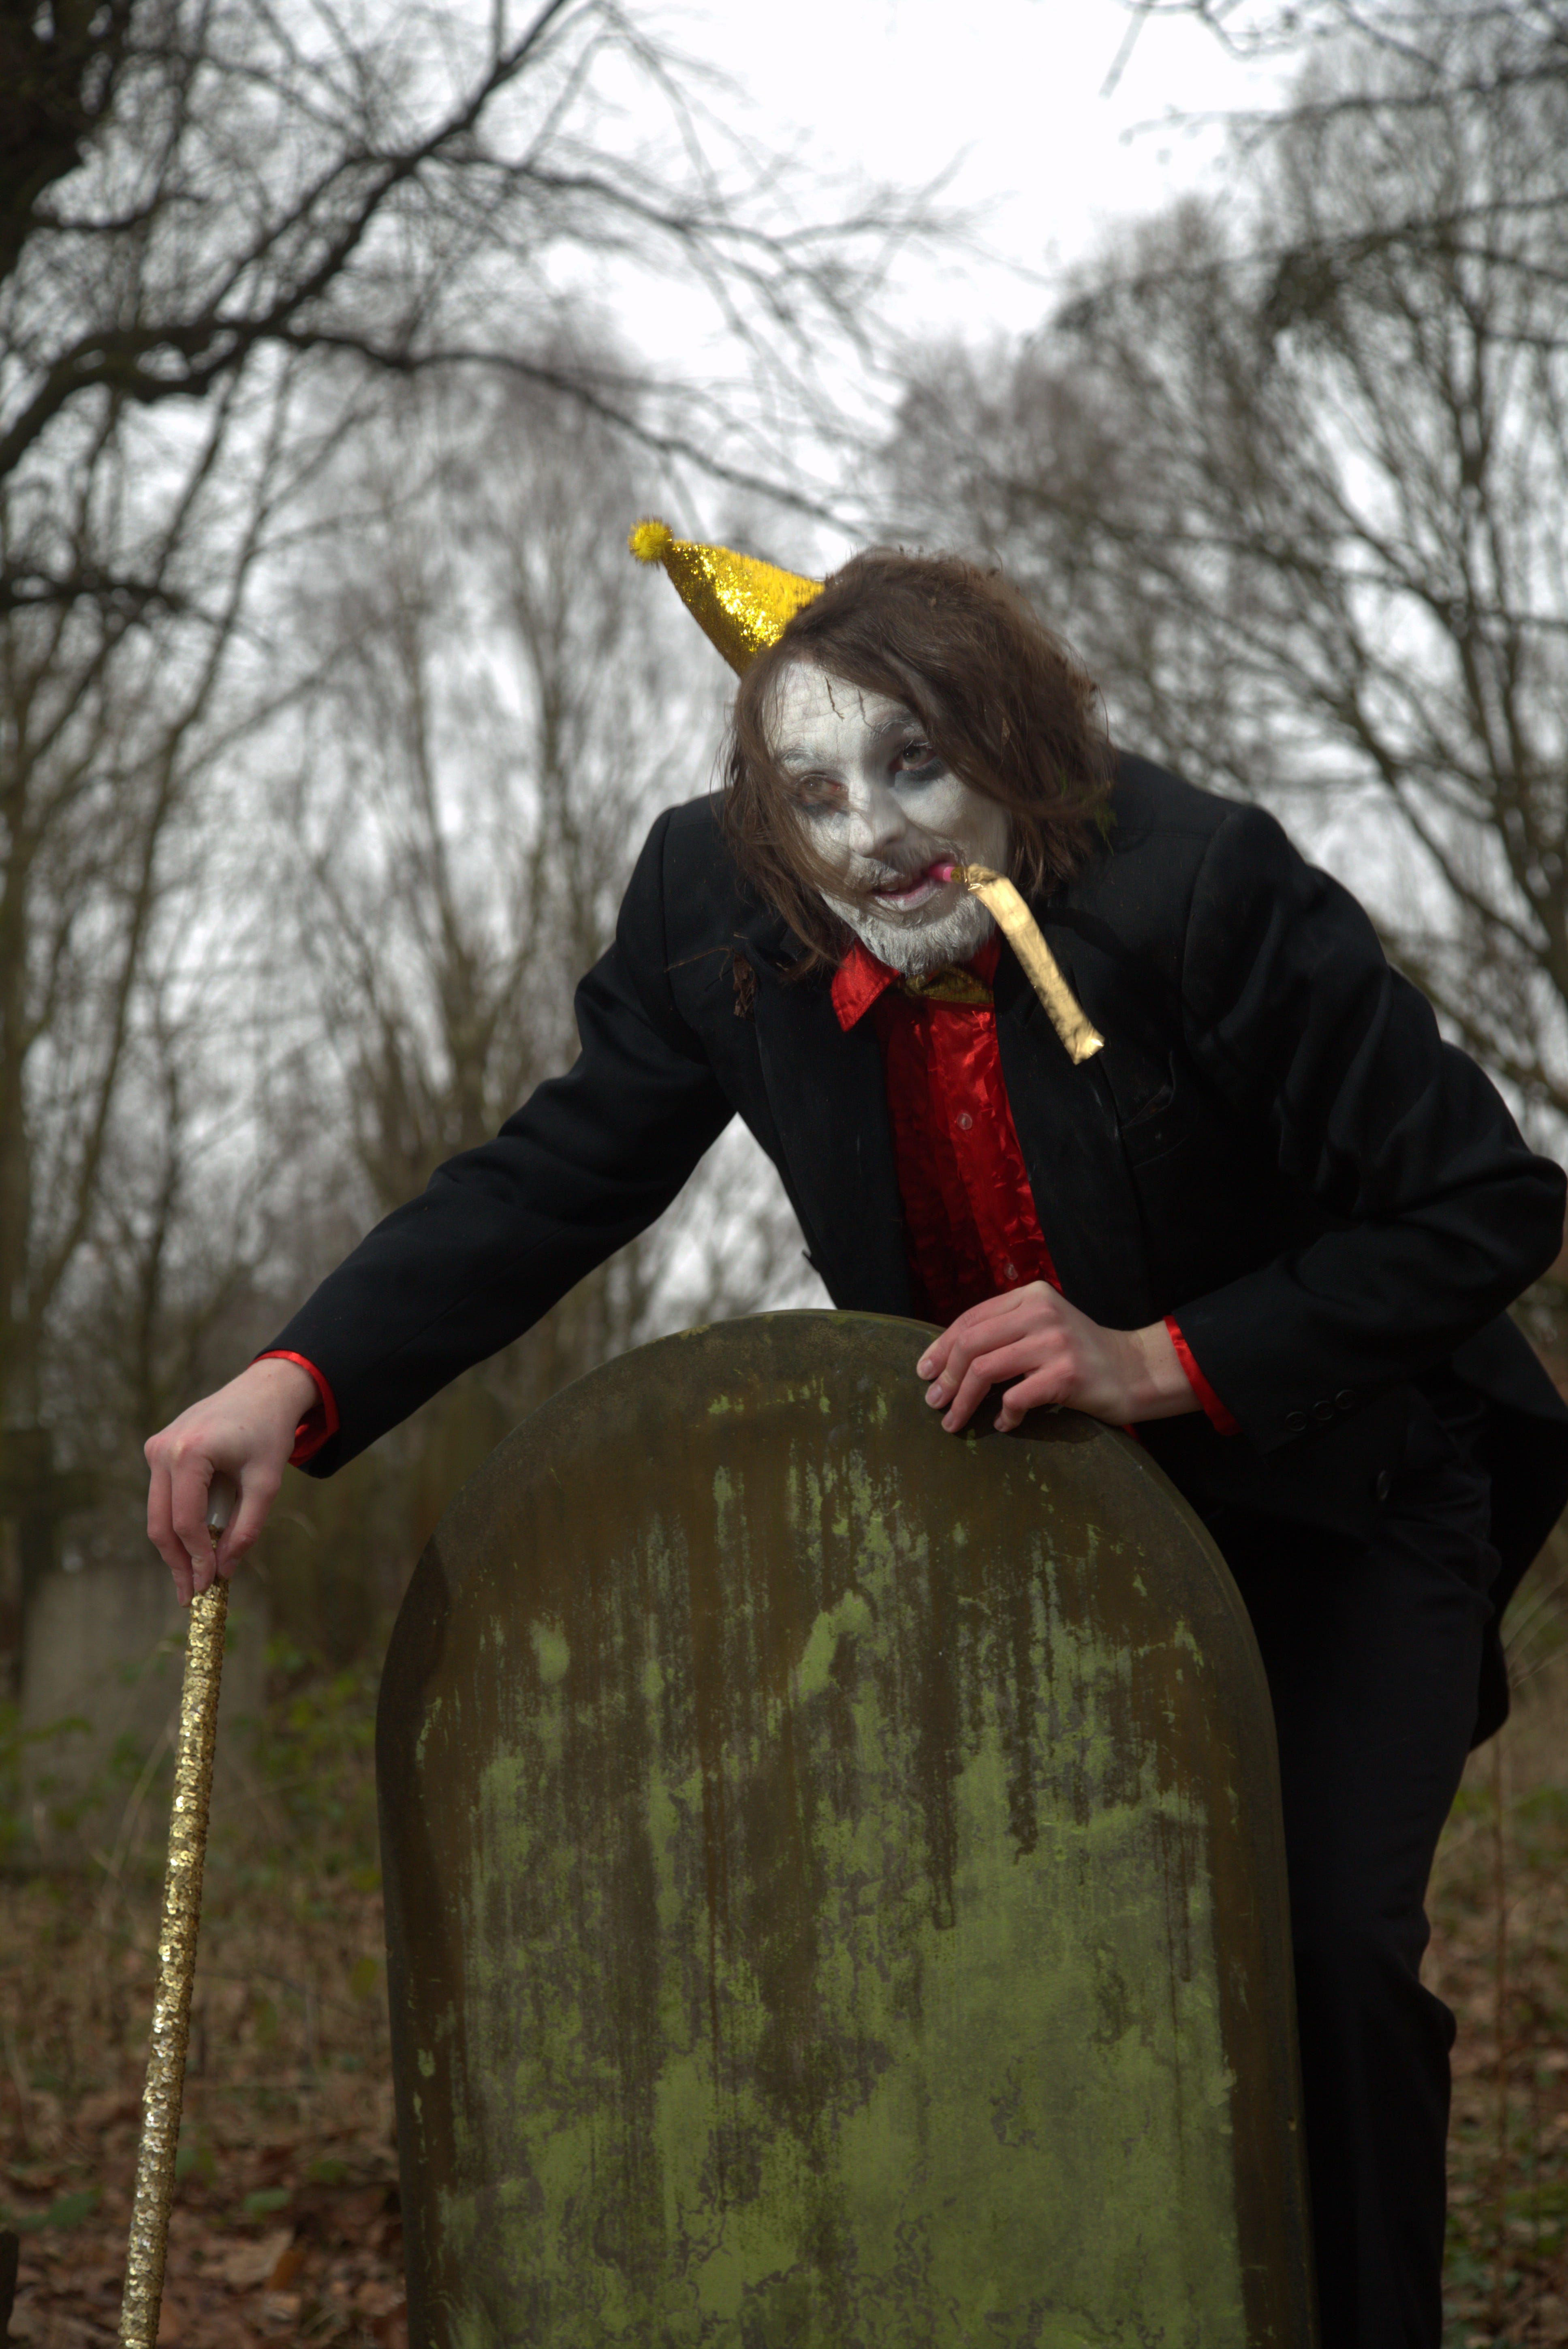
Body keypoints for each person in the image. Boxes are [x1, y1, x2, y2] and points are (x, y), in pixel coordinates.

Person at [145, 534, 1568, 2347]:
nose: (874, 835)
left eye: (916, 767)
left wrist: (1156, 1358)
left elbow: (1483, 1203)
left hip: (1331, 1490)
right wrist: (293, 1380)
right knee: (1007, 1957)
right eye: (812, 792)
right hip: (1020, 1521)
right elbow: (557, 1173)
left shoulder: (1203, 884)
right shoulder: (713, 902)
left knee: (1314, 1956)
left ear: (1016, 744)